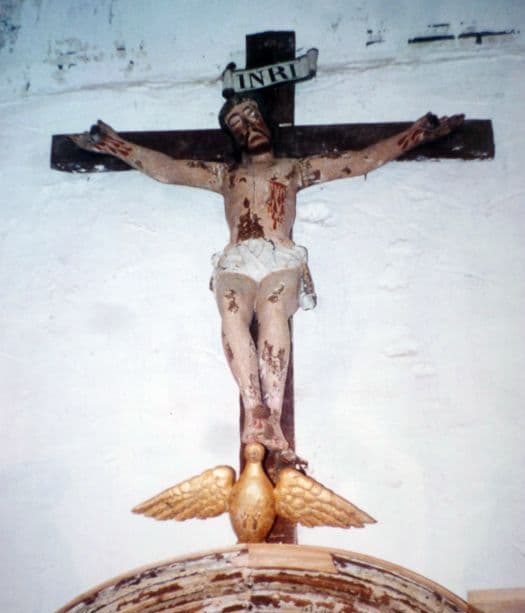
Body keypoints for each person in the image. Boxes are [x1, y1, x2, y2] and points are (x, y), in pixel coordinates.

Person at [72, 97, 463, 454]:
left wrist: (415, 135)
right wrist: (114, 145)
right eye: (237, 124)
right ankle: (255, 408)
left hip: (279, 256)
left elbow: (359, 160)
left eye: (251, 115)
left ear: (265, 121)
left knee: (274, 310)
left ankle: (272, 416)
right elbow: (170, 170)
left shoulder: (293, 169)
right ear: (234, 137)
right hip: (238, 259)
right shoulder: (225, 175)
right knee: (231, 313)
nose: (248, 126)